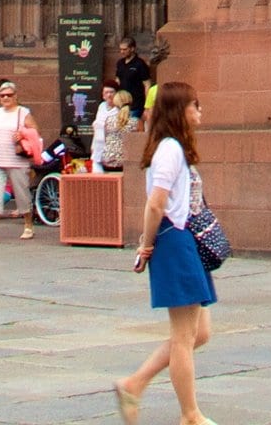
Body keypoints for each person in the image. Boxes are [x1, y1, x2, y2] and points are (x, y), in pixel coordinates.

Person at [114, 81, 216, 425]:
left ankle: (134, 384)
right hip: (174, 241)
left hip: (181, 241)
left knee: (199, 332)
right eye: (194, 105)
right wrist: (146, 245)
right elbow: (156, 203)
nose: (199, 111)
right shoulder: (170, 149)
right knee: (185, 337)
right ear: (178, 110)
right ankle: (190, 415)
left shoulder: (172, 147)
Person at [0, 79, 39, 244]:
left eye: (9, 95)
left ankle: (28, 224)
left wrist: (23, 134)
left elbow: (35, 131)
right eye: (2, 95)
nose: (5, 98)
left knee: (22, 194)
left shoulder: (23, 112)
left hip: (16, 160)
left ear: (15, 96)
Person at [113, 41, 154, 122]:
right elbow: (117, 81)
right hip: (122, 103)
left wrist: (147, 106)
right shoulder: (120, 63)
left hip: (136, 104)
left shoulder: (140, 64)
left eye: (125, 49)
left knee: (132, 125)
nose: (122, 52)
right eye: (120, 49)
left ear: (132, 49)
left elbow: (147, 85)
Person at [91, 88, 127, 175]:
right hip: (98, 150)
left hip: (114, 153)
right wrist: (93, 146)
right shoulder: (102, 106)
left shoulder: (121, 110)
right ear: (103, 95)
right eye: (106, 92)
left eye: (111, 92)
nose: (109, 95)